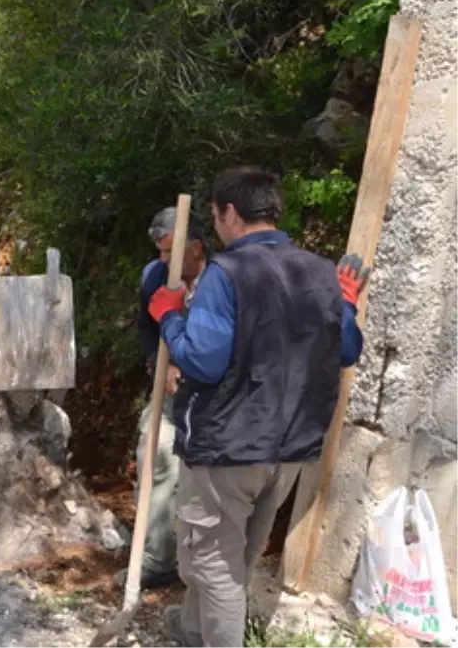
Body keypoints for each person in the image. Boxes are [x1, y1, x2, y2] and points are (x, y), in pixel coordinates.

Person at [146, 166, 367, 648]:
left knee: (209, 563)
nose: (217, 225)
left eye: (217, 215)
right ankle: (192, 633)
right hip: (289, 447)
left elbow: (202, 360)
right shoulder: (321, 272)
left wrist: (169, 317)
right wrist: (345, 306)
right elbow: (347, 350)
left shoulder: (227, 274)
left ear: (229, 212)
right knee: (234, 557)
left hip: (229, 446)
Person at [121, 207, 212, 591]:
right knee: (155, 462)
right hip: (171, 393)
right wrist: (159, 365)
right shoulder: (155, 276)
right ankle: (156, 560)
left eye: (168, 253)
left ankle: (206, 574)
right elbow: (147, 325)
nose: (161, 261)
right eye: (158, 252)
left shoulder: (224, 281)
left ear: (196, 247)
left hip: (214, 403)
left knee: (207, 487)